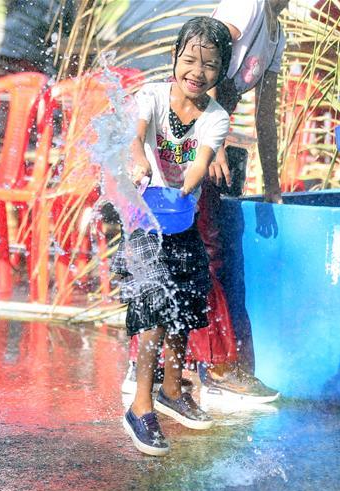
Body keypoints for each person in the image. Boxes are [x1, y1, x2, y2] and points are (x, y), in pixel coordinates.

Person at [120, 0, 286, 407]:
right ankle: (210, 366)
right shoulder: (247, 5)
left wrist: (273, 183)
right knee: (194, 256)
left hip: (209, 139)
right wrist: (210, 144)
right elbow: (200, 59)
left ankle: (173, 367)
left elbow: (266, 117)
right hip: (189, 143)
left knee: (198, 256)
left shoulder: (277, 33)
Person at [113, 17, 233, 456]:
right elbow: (136, 133)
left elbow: (201, 160)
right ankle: (140, 407)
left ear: (221, 72)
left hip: (180, 220)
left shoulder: (216, 117)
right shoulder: (153, 96)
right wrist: (136, 159)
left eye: (209, 64)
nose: (197, 71)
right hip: (145, 220)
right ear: (174, 59)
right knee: (155, 308)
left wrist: (190, 180)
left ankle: (170, 389)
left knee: (186, 302)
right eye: (189, 59)